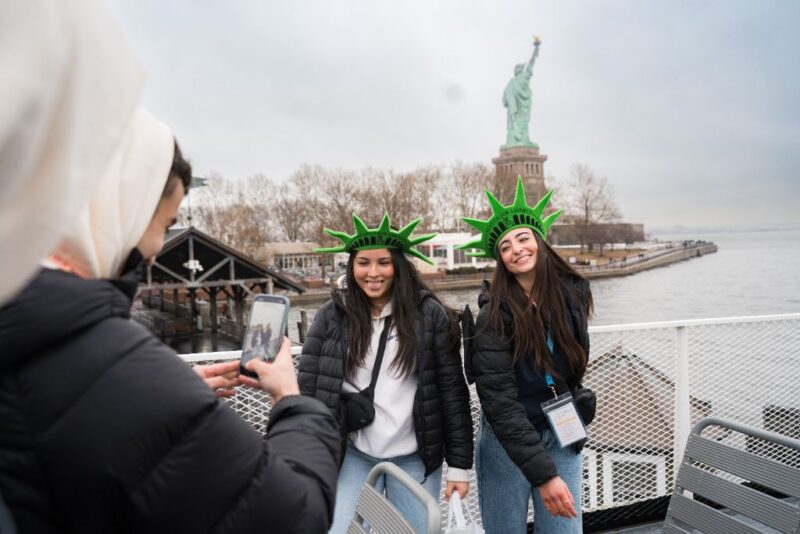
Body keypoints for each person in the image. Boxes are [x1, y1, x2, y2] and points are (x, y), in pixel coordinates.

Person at [0, 109, 340, 533]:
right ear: (123, 210)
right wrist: (291, 400)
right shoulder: (113, 365)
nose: (158, 249)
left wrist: (170, 400)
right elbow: (296, 517)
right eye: (164, 223)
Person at [299, 213, 473, 533]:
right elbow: (309, 387)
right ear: (352, 267)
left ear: (399, 266)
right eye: (363, 263)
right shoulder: (332, 315)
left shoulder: (429, 315)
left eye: (384, 262)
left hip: (415, 458)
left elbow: (452, 393)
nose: (373, 273)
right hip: (353, 454)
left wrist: (459, 466)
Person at [458, 177, 593, 533]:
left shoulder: (572, 297)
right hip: (507, 441)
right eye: (505, 246)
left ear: (539, 241)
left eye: (523, 238)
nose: (516, 249)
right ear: (500, 260)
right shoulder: (492, 317)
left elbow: (573, 368)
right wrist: (545, 476)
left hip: (559, 431)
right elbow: (500, 404)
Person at [502, 37, 540, 147]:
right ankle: (516, 141)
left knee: (522, 123)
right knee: (521, 123)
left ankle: (522, 140)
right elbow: (505, 100)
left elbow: (504, 101)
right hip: (517, 109)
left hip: (519, 109)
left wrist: (535, 51)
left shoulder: (515, 81)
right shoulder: (513, 82)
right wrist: (536, 50)